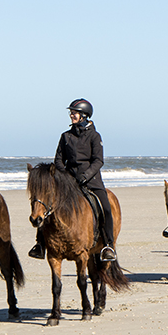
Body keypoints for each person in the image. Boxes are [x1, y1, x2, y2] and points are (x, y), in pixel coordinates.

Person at [35, 99, 116, 262]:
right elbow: (58, 160)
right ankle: (40, 244)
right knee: (47, 204)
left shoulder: (94, 136)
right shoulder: (65, 136)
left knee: (106, 208)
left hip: (91, 180)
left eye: (75, 113)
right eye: (71, 113)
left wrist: (85, 176)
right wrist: (65, 176)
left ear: (84, 115)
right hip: (68, 181)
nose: (71, 115)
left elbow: (98, 161)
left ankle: (108, 245)